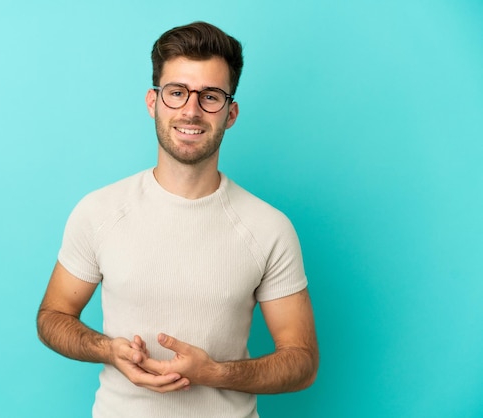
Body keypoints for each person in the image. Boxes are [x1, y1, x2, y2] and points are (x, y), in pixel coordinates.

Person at [37, 21, 319, 418]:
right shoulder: (99, 210)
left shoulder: (269, 228)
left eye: (210, 96)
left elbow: (302, 361)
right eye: (177, 92)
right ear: (153, 102)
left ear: (231, 112)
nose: (191, 109)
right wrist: (109, 350)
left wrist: (214, 372)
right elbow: (53, 316)